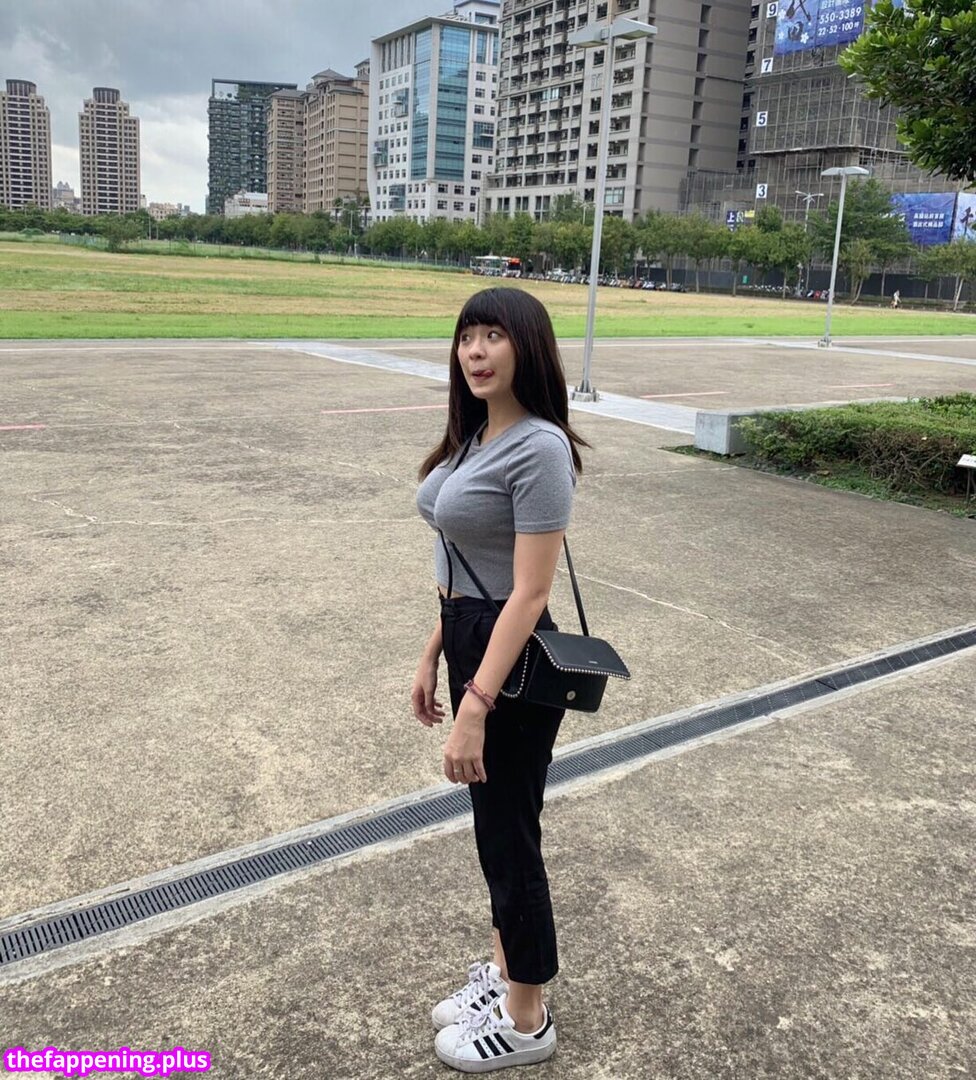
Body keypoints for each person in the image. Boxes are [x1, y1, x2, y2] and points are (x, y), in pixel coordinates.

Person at [413, 287, 589, 1073]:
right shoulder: (478, 435)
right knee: (495, 833)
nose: (475, 352)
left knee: (512, 840)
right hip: (469, 636)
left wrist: (475, 706)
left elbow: (530, 592)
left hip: (509, 662)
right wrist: (432, 651)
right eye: (465, 338)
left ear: (527, 346)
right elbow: (465, 568)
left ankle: (526, 1018)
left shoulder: (539, 448)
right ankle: (506, 970)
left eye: (493, 336)